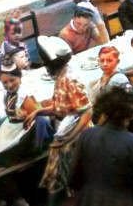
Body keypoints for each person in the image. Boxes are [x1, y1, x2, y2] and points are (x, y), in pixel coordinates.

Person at [34, 36, 92, 205]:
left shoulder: (69, 79)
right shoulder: (61, 75)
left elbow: (86, 111)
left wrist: (69, 138)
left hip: (78, 135)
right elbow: (62, 106)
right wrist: (38, 111)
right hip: (66, 130)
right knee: (58, 174)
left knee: (63, 174)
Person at [69, 87, 133, 206]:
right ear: (129, 114)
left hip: (88, 200)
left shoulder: (86, 135)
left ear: (104, 112)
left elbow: (73, 178)